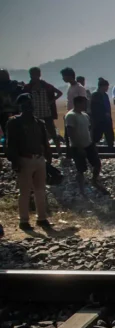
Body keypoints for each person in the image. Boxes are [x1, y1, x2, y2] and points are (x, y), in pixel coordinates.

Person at [5, 93, 53, 231]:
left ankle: (42, 218)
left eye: (30, 105)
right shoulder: (14, 122)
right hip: (24, 159)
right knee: (25, 191)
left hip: (39, 159)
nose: (29, 108)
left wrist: (48, 158)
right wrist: (15, 161)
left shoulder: (39, 123)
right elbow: (11, 144)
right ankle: (24, 220)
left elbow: (44, 142)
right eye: (25, 105)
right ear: (20, 107)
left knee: (40, 190)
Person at [65, 96, 102, 196]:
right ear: (78, 103)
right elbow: (70, 132)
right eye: (84, 103)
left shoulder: (85, 115)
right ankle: (82, 191)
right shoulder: (71, 115)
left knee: (97, 164)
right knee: (81, 169)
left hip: (88, 144)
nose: (86, 106)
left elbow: (89, 129)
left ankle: (94, 180)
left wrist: (92, 141)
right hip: (77, 146)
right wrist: (78, 146)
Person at [24, 67, 63, 156]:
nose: (33, 77)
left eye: (35, 74)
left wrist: (51, 101)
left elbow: (59, 93)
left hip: (47, 113)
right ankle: (40, 152)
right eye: (32, 75)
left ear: (39, 75)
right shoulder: (28, 87)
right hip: (35, 114)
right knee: (35, 134)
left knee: (53, 133)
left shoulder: (46, 86)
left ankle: (59, 152)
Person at [0, 69, 25, 141]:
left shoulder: (15, 84)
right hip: (15, 110)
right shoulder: (16, 85)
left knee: (6, 130)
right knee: (16, 130)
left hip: (3, 111)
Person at [90, 78, 114, 149]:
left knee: (109, 134)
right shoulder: (95, 95)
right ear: (102, 86)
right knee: (97, 134)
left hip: (107, 118)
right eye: (106, 86)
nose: (107, 88)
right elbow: (95, 108)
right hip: (99, 119)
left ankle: (111, 148)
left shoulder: (105, 95)